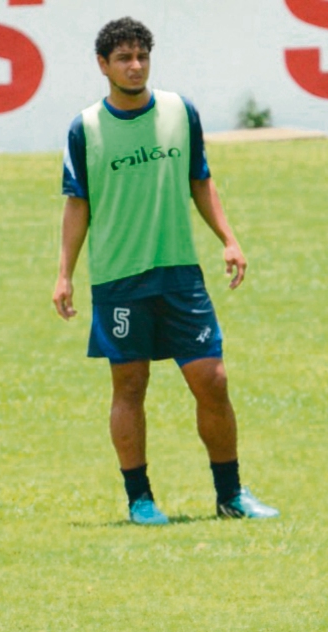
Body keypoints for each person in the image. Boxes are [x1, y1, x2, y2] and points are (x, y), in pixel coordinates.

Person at [53, 17, 278, 524]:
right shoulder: (85, 128)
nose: (135, 67)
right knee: (130, 387)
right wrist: (64, 273)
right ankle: (140, 499)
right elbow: (77, 203)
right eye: (124, 58)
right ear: (103, 65)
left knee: (212, 380)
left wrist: (229, 239)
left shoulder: (180, 111)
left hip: (179, 273)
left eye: (142, 57)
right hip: (119, 278)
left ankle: (230, 495)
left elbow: (201, 180)